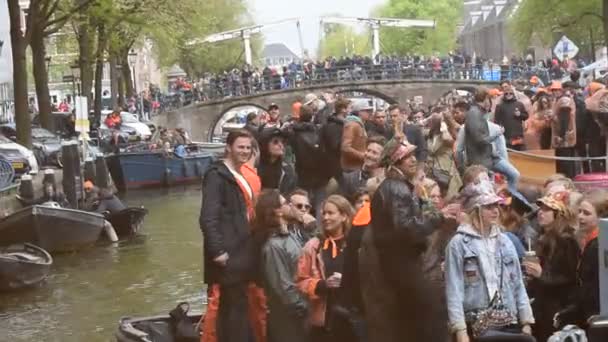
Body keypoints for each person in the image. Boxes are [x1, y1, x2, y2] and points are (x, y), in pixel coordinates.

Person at [361, 138, 450, 342]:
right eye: (406, 157)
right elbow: (406, 229)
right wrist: (439, 217)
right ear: (395, 163)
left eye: (412, 156)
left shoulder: (394, 186)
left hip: (395, 266)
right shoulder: (397, 188)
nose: (412, 160)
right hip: (401, 265)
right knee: (428, 317)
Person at [445, 180, 535, 342]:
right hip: (474, 323)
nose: (495, 211)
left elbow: (518, 284)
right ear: (476, 210)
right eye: (489, 207)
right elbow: (454, 290)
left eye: (496, 206)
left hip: (509, 321)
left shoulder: (505, 241)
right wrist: (460, 330)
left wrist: (526, 321)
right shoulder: (458, 243)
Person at [199, 129, 266, 342]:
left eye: (248, 148)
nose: (245, 151)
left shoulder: (238, 175)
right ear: (228, 147)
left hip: (242, 250)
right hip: (229, 254)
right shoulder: (217, 176)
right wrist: (217, 250)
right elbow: (208, 216)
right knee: (233, 308)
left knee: (237, 306)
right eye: (240, 147)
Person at [296, 195, 355, 342]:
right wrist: (322, 285)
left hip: (353, 318)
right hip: (323, 322)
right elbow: (300, 281)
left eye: (331, 213)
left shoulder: (356, 245)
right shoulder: (314, 246)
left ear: (344, 216)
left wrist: (346, 281)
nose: (326, 217)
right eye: (324, 213)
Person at [524, 191, 580, 342]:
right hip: (542, 306)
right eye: (540, 209)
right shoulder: (542, 238)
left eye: (547, 209)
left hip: (558, 308)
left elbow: (570, 277)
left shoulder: (567, 240)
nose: (541, 213)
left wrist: (541, 275)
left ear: (558, 214)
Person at [257, 190, 308, 342]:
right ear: (277, 211)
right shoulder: (273, 245)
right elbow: (283, 285)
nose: (290, 205)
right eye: (285, 203)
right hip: (289, 319)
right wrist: (303, 307)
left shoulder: (289, 234)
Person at [556, 190, 605, 331]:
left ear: (601, 217)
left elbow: (592, 285)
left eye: (587, 213)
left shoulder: (597, 244)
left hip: (595, 316)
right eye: (580, 212)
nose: (580, 217)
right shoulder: (590, 241)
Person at [288, 105, 331, 217]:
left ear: (299, 117)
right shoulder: (318, 130)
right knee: (320, 204)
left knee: (303, 202)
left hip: (302, 172)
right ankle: (320, 228)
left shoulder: (294, 132)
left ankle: (304, 225)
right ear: (311, 117)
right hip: (319, 172)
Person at [426, 112, 462, 199]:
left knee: (447, 197)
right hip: (432, 171)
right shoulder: (431, 135)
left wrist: (444, 127)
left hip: (446, 171)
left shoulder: (448, 134)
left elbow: (447, 139)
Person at [465, 88, 503, 169]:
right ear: (485, 98)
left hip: (483, 158)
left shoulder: (477, 112)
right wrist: (497, 134)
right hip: (480, 160)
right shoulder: (475, 114)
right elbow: (480, 140)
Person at [340, 136, 385, 201]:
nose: (369, 155)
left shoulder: (386, 181)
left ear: (382, 158)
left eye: (374, 153)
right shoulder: (349, 179)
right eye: (368, 150)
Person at [320, 97, 350, 186]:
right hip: (336, 166)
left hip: (339, 165)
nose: (350, 110)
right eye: (349, 107)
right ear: (343, 109)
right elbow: (335, 145)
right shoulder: (334, 126)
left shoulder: (341, 124)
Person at [257, 128, 297, 196]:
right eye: (275, 142)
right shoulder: (254, 168)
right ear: (264, 144)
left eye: (283, 142)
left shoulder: (287, 170)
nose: (281, 145)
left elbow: (290, 194)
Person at [495, 83, 529, 150]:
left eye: (510, 93)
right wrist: (500, 128)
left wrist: (520, 115)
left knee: (521, 155)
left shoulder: (519, 104)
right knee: (508, 154)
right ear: (504, 95)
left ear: (513, 94)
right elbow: (496, 120)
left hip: (518, 134)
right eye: (506, 93)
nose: (508, 95)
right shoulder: (500, 106)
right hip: (506, 135)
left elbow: (526, 116)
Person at [341, 100, 372, 172]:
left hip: (357, 166)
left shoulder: (358, 124)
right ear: (359, 112)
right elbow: (345, 147)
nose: (369, 113)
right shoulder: (352, 125)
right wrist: (363, 156)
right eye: (366, 111)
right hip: (351, 168)